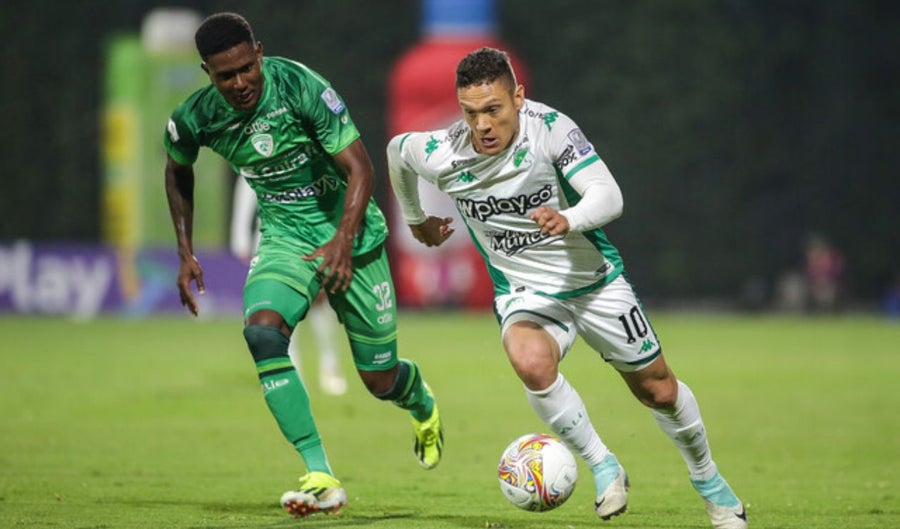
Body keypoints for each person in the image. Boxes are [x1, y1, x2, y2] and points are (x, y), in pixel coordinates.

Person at [387, 47, 747, 529]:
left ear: (518, 97)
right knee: (529, 360)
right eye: (470, 113)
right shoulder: (444, 152)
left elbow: (609, 195)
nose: (483, 125)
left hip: (593, 281)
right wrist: (416, 219)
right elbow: (397, 152)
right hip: (525, 290)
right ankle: (603, 465)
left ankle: (708, 481)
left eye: (493, 109)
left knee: (658, 390)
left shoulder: (551, 129)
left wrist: (569, 218)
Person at [163, 12, 443, 518]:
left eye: (247, 68)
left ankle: (420, 400)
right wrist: (185, 251)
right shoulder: (195, 117)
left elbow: (361, 168)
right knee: (262, 333)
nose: (241, 83)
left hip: (354, 239)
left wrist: (343, 239)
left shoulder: (300, 87)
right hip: (285, 240)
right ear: (207, 74)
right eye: (226, 76)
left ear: (259, 54)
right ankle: (321, 475)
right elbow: (177, 169)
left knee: (379, 380)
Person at [231, 177, 348, 395]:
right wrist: (240, 240)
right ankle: (294, 373)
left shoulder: (302, 162)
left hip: (310, 236)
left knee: (321, 304)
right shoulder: (254, 164)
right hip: (271, 243)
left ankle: (330, 367)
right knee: (281, 309)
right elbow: (245, 193)